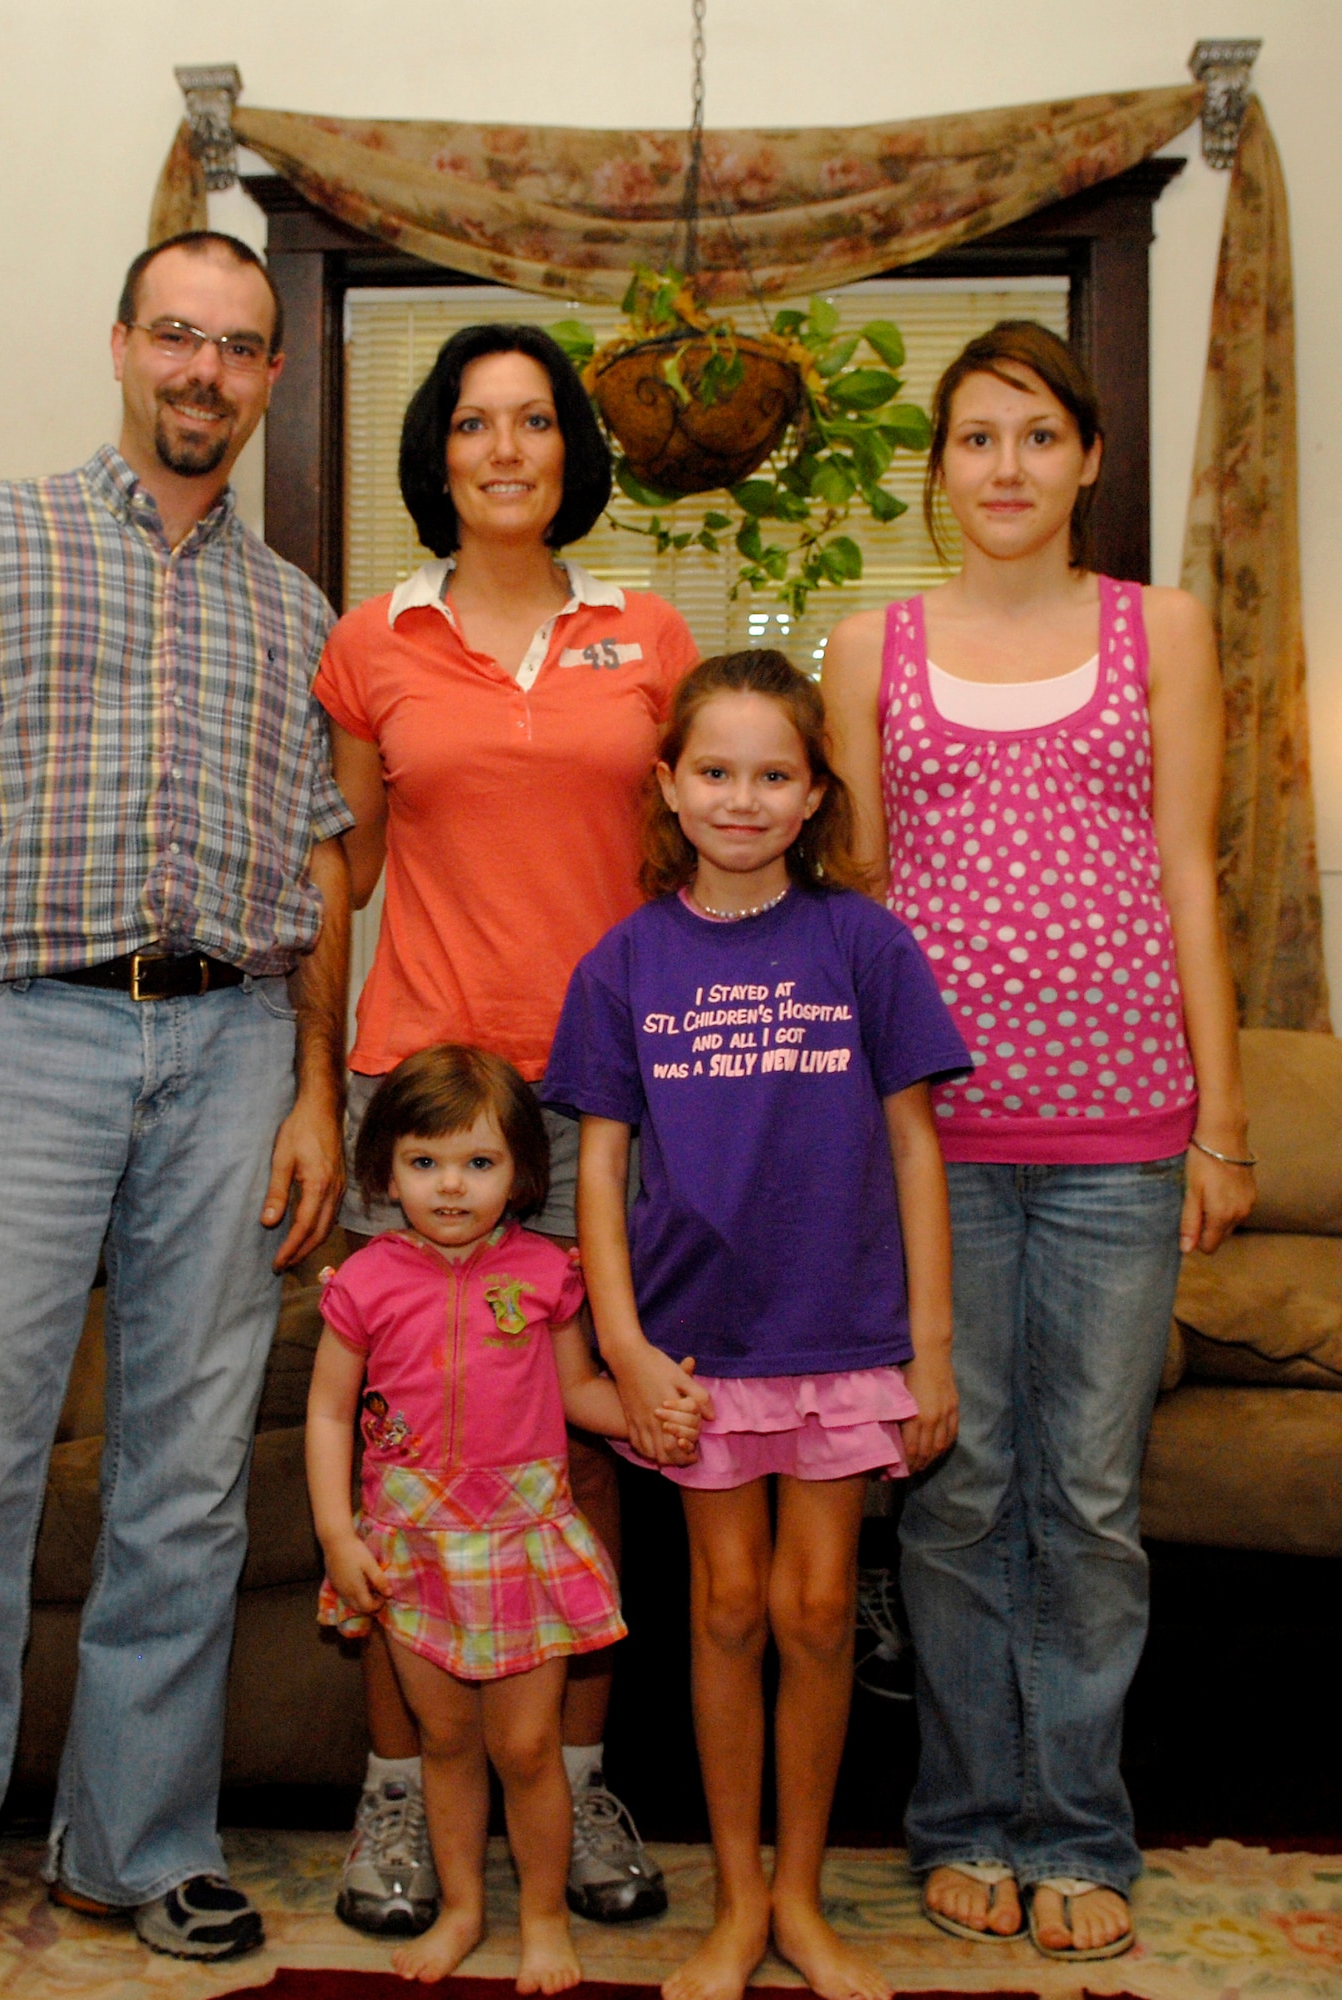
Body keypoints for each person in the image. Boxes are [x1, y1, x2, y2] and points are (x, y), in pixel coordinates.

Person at [0, 231, 353, 1993]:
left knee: (183, 1483)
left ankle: (144, 1851)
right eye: (177, 335)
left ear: (269, 380)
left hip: (236, 1046)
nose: (204, 370)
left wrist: (319, 1080)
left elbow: (331, 869)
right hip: (13, 1040)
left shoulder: (298, 614)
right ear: (122, 346)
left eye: (238, 347)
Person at [819, 322, 1256, 1964]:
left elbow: (1193, 878)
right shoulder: (875, 646)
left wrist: (1220, 1124)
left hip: (1124, 1137)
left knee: (1085, 1500)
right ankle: (964, 1820)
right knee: (952, 1490)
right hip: (931, 1140)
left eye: (1036, 436)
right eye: (976, 438)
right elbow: (850, 906)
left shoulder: (1168, 631)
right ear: (941, 468)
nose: (1006, 467)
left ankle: (1076, 1824)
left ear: (1087, 459)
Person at [316, 323, 700, 1934]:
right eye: (473, 423)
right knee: (414, 1458)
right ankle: (401, 1810)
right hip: (422, 1101)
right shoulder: (372, 640)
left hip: (607, 1107)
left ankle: (580, 1783)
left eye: (534, 420)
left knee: (580, 1454)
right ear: (438, 452)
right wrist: (305, 1080)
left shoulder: (650, 633)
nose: (505, 448)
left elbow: (707, 865)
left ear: (569, 451)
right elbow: (339, 873)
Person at [544, 650, 972, 2000]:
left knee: (819, 1606)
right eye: (715, 772)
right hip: (696, 1347)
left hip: (841, 1332)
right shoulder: (623, 963)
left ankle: (802, 1897)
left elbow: (915, 1149)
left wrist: (934, 1346)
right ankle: (734, 1901)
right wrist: (619, 1341)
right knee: (726, 1606)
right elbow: (599, 1165)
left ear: (813, 794)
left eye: (772, 774)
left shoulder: (864, 943)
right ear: (670, 785)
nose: (742, 798)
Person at [306, 1046, 703, 1993]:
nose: (451, 1187)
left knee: (527, 1749)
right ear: (383, 1172)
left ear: (523, 1175)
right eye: (425, 1162)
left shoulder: (546, 1273)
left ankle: (538, 1919)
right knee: (446, 1741)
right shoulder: (363, 1285)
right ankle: (463, 1910)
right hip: (408, 1548)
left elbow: (579, 1394)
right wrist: (336, 1533)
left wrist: (657, 1407)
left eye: (479, 1164)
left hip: (524, 1542)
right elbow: (328, 1412)